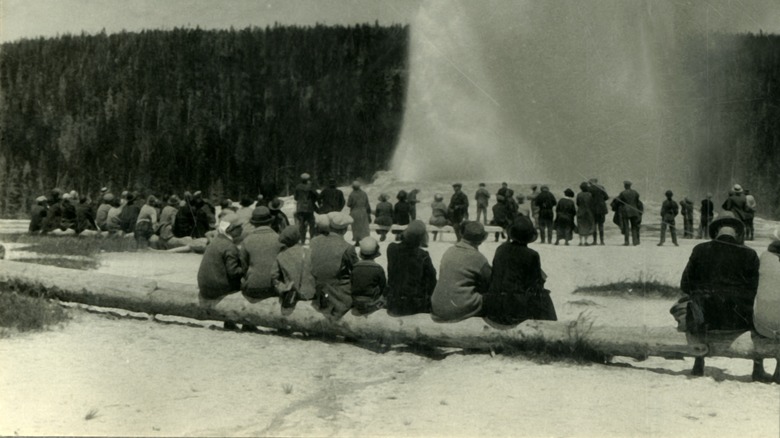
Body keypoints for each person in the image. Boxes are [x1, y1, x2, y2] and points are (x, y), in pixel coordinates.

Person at [679, 211, 767, 380]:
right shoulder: (750, 254)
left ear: (717, 230)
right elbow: (757, 289)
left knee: (695, 304)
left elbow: (685, 284)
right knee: (758, 307)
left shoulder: (700, 250)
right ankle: (758, 367)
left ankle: (699, 360)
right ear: (737, 232)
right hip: (738, 319)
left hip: (706, 318)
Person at [483, 216, 556, 326]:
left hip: (494, 305)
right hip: (515, 309)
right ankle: (549, 329)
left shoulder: (501, 249)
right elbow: (535, 284)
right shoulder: (532, 255)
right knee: (544, 296)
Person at [431, 221, 492, 322]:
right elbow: (489, 282)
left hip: (437, 307)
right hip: (457, 309)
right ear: (480, 241)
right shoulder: (478, 258)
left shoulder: (449, 251)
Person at [197, 213, 245, 330]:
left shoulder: (215, 241)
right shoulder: (230, 247)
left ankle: (230, 322)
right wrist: (247, 269)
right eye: (239, 227)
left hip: (204, 287)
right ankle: (246, 322)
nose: (242, 229)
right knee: (247, 283)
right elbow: (233, 272)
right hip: (217, 288)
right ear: (231, 230)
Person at [310, 212, 359, 319]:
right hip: (335, 293)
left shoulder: (313, 242)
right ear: (345, 230)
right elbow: (357, 271)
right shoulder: (348, 248)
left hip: (315, 289)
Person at [386, 220, 437, 316]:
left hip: (393, 302)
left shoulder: (392, 249)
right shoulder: (423, 256)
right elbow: (432, 281)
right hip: (414, 306)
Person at [240, 206, 282, 300]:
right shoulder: (279, 239)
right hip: (274, 288)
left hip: (252, 289)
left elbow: (243, 267)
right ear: (270, 221)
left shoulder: (247, 240)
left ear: (254, 224)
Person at [272, 225, 316, 310]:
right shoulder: (310, 253)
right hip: (310, 295)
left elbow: (274, 277)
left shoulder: (281, 256)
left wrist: (282, 287)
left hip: (292, 296)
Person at [351, 237, 387, 316]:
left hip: (356, 302)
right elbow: (383, 287)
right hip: (371, 302)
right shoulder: (378, 268)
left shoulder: (355, 267)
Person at [294, 173, 319, 244]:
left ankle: (302, 239)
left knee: (301, 224)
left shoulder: (298, 186)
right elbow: (316, 195)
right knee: (311, 223)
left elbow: (295, 198)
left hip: (300, 208)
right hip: (309, 208)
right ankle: (312, 239)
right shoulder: (310, 187)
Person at [347, 180, 371, 246]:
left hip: (355, 211)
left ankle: (357, 241)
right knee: (364, 227)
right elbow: (367, 203)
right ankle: (365, 241)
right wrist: (369, 213)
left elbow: (349, 204)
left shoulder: (352, 194)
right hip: (363, 211)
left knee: (355, 227)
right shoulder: (364, 193)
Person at [618, 180, 642, 246]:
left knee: (626, 227)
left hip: (626, 211)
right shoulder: (635, 192)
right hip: (634, 211)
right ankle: (635, 241)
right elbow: (638, 202)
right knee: (634, 226)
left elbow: (619, 201)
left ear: (625, 185)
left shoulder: (622, 193)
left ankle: (626, 242)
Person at [588, 178, 609, 245]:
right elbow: (606, 197)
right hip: (602, 208)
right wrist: (601, 201)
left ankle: (595, 241)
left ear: (592, 182)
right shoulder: (601, 187)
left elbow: (588, 198)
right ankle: (602, 241)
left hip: (593, 208)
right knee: (601, 225)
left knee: (594, 224)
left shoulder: (590, 188)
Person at [575, 182, 595, 246]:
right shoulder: (590, 194)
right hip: (588, 211)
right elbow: (592, 203)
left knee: (580, 226)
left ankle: (580, 241)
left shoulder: (579, 194)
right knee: (587, 225)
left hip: (580, 211)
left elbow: (577, 203)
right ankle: (586, 241)